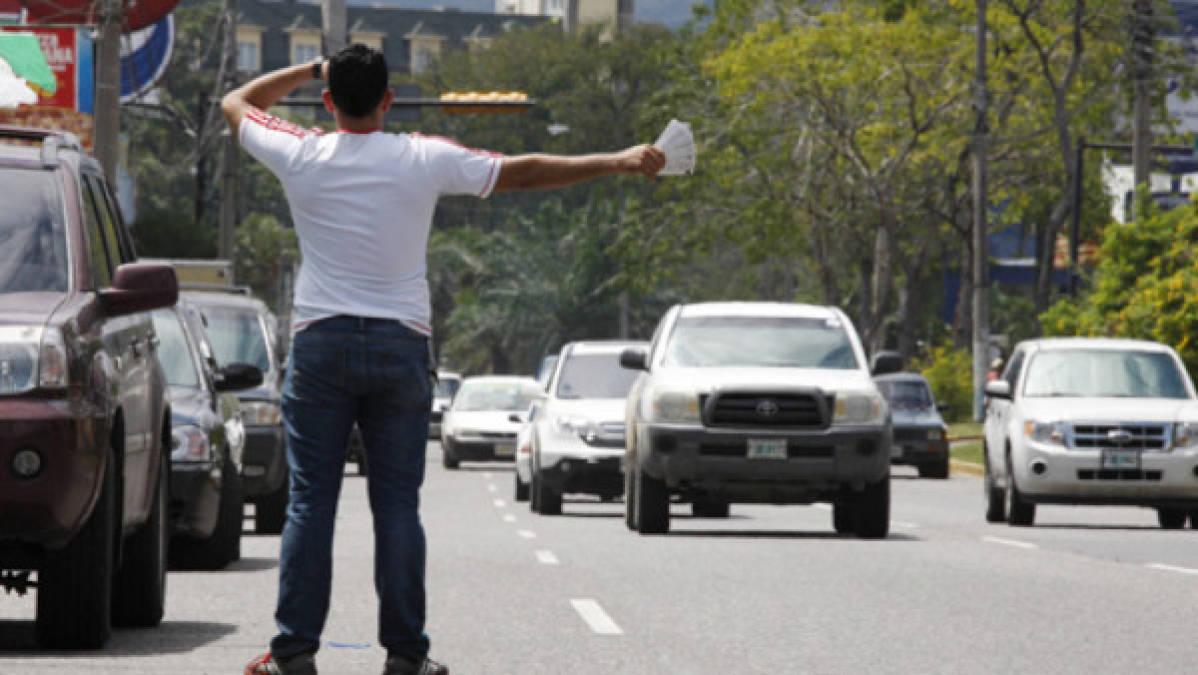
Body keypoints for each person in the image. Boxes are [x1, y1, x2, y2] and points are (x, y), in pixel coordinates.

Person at [222, 45, 665, 675]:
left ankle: (293, 654)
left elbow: (236, 103)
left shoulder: (299, 151)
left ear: (327, 104)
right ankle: (406, 656)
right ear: (388, 101)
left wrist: (311, 68)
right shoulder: (422, 156)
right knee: (397, 506)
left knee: (309, 505)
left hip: (320, 345)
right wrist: (617, 160)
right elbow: (525, 171)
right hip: (401, 345)